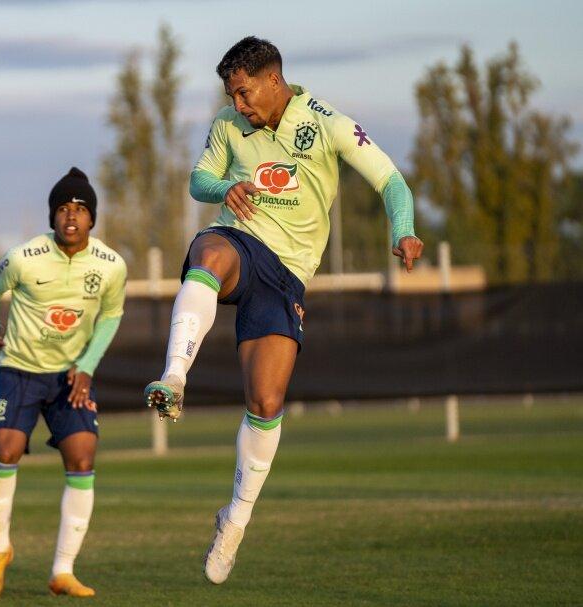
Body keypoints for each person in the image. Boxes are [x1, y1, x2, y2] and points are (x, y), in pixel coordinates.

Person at [143, 36, 424, 584]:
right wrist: (227, 186)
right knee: (209, 251)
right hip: (242, 242)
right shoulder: (228, 125)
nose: (238, 104)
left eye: (244, 93)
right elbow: (199, 179)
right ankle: (174, 378)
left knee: (266, 400)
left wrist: (405, 229)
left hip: (289, 274)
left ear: (273, 80)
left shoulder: (328, 123)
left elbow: (391, 179)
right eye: (231, 95)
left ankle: (235, 519)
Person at [0, 167, 127, 600]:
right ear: (52, 217)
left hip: (71, 377)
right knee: (4, 449)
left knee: (82, 457)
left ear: (92, 218)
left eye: (80, 208)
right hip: (19, 368)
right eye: (63, 208)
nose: (71, 216)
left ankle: (62, 570)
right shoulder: (24, 256)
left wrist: (87, 366)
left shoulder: (111, 265)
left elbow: (112, 315)